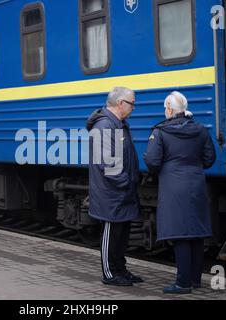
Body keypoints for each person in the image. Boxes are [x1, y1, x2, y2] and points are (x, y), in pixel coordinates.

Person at [144, 91, 216, 294]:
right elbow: (209, 158)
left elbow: (152, 161)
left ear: (169, 109)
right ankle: (195, 280)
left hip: (173, 185)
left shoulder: (161, 131)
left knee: (180, 234)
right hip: (196, 183)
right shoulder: (200, 129)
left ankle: (182, 283)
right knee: (196, 233)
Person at [86, 87, 142, 286]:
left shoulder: (119, 125)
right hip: (111, 192)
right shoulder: (104, 127)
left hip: (121, 191)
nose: (134, 107)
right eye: (132, 103)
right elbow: (108, 164)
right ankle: (109, 273)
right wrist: (126, 181)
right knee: (111, 233)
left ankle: (121, 269)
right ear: (120, 104)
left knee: (122, 234)